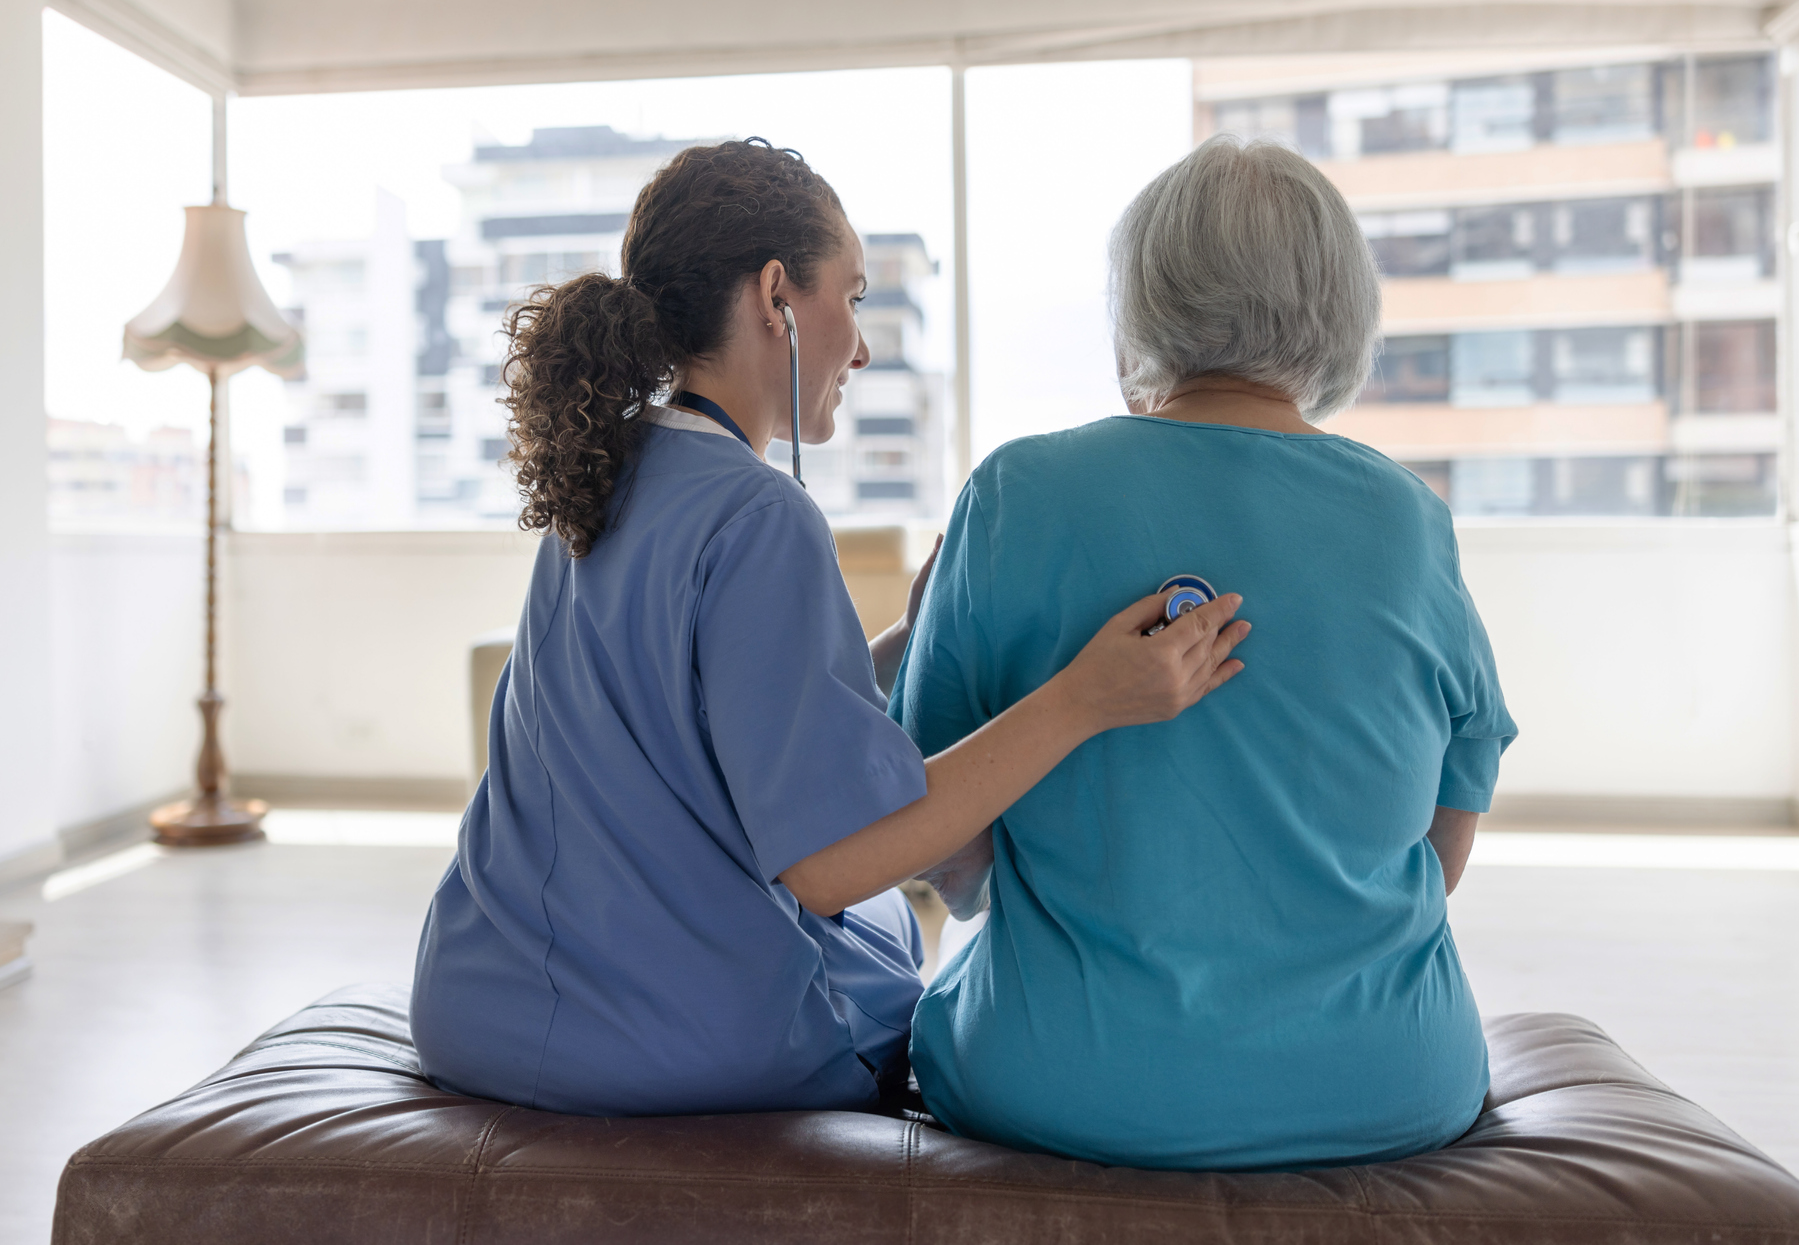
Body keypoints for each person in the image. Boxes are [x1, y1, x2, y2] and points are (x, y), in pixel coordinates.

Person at [409, 138, 1250, 1118]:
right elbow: (830, 864)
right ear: (775, 296)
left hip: (478, 1011)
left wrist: (902, 633)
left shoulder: (601, 484)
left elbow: (698, 720)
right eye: (849, 297)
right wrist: (1083, 701)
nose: (857, 346)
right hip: (657, 1047)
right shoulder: (760, 513)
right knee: (894, 933)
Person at [896, 135, 1516, 1171]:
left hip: (1056, 1082)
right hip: (1385, 1084)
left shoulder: (1016, 494)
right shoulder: (1408, 520)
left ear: (1141, 300)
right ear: (1340, 309)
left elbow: (930, 837)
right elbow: (1441, 842)